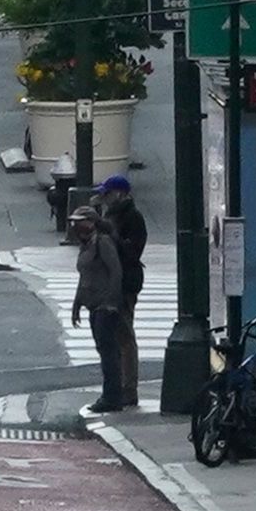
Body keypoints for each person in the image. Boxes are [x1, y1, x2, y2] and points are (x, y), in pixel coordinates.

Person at [74, 174, 148, 414]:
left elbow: (130, 253)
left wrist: (110, 232)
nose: (104, 198)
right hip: (110, 286)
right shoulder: (112, 215)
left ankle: (127, 389)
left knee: (123, 337)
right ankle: (122, 388)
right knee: (115, 339)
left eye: (108, 194)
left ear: (121, 194)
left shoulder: (132, 218)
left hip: (124, 284)